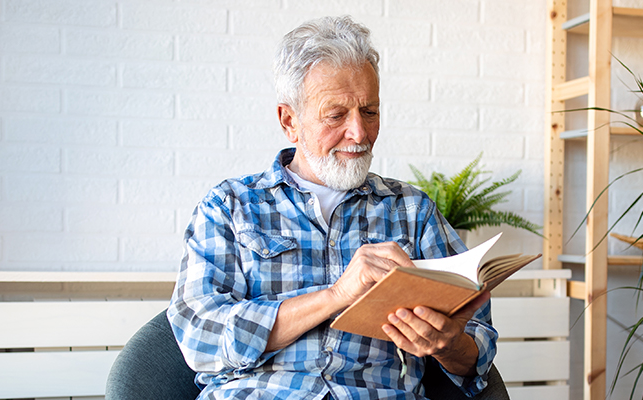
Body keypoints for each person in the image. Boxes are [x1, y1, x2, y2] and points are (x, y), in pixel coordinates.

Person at [167, 15, 498, 400]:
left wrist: (448, 344)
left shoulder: (412, 211)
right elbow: (199, 336)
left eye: (369, 111)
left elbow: (479, 344)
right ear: (289, 120)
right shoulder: (229, 207)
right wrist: (335, 296)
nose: (359, 133)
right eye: (336, 115)